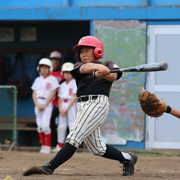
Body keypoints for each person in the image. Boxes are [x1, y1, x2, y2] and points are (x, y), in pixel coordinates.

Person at [23, 36, 138, 176]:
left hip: (97, 104)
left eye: (87, 51)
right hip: (83, 106)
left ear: (97, 51)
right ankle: (128, 158)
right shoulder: (78, 66)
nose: (83, 54)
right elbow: (85, 69)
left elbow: (114, 76)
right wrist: (97, 68)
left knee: (74, 137)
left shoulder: (108, 64)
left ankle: (50, 166)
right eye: (81, 52)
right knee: (97, 148)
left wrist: (104, 74)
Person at [31, 58, 59, 153]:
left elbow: (53, 93)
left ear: (49, 68)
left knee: (46, 125)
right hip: (38, 103)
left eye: (46, 67)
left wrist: (45, 105)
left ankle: (48, 146)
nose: (44, 69)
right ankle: (43, 146)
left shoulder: (52, 79)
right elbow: (34, 93)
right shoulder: (37, 79)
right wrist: (37, 104)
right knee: (39, 126)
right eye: (42, 67)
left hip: (47, 103)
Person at [51, 62, 77, 152]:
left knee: (72, 124)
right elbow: (59, 98)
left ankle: (73, 146)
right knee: (61, 126)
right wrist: (60, 109)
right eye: (65, 72)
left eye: (69, 72)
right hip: (62, 104)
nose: (67, 74)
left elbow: (75, 96)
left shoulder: (75, 82)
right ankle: (60, 145)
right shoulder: (62, 84)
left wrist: (66, 109)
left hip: (72, 104)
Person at [49, 51, 64, 148]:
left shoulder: (63, 73)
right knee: (50, 125)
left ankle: (62, 145)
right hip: (49, 104)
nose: (55, 62)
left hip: (61, 103)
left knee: (62, 125)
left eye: (57, 60)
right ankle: (51, 144)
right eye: (53, 60)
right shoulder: (46, 73)